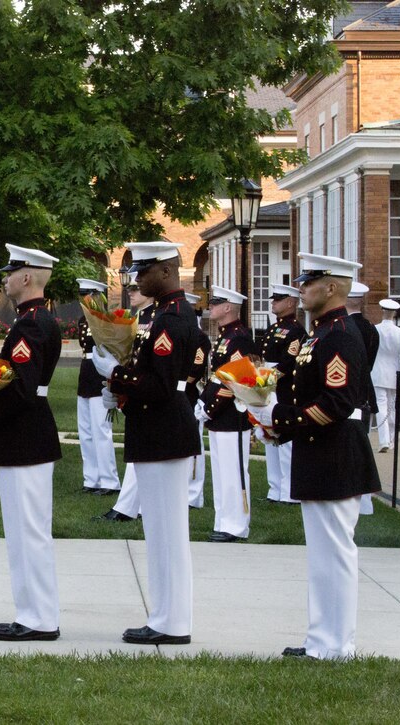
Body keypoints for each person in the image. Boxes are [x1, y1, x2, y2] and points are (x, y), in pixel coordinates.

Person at [247, 253, 381, 660]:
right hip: (319, 452)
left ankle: (336, 645)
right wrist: (273, 418)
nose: (301, 288)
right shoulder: (320, 334)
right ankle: (322, 639)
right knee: (322, 558)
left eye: (309, 282)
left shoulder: (339, 335)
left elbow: (335, 403)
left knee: (334, 555)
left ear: (333, 287)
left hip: (335, 454)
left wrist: (281, 418)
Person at [91, 241, 202, 645]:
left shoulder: (172, 320)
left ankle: (172, 622)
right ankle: (165, 617)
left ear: (168, 271)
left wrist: (116, 375)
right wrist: (118, 384)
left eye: (145, 271)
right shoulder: (161, 315)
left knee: (168, 533)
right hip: (158, 432)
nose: (137, 278)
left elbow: (159, 385)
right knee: (159, 532)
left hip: (166, 432)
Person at [0, 244, 63, 641]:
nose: (4, 278)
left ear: (26, 277)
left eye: (10, 271)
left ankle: (39, 618)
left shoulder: (31, 325)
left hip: (26, 435)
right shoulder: (34, 321)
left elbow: (21, 388)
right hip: (26, 433)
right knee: (22, 530)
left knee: (29, 530)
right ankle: (32, 613)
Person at [196, 286, 257, 543]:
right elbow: (217, 376)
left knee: (234, 472)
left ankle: (236, 525)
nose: (212, 306)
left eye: (217, 302)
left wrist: (209, 407)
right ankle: (223, 520)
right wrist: (203, 400)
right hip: (221, 416)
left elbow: (235, 381)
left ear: (229, 307)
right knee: (221, 473)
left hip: (232, 415)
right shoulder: (226, 336)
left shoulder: (240, 337)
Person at [93, 282, 154, 523]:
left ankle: (129, 507)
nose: (132, 291)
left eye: (138, 287)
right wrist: (116, 384)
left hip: (146, 390)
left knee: (142, 453)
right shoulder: (138, 318)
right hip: (133, 386)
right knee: (139, 453)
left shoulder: (157, 318)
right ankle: (130, 506)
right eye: (129, 287)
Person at [258, 284, 306, 504]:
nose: (273, 303)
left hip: (282, 388)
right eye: (273, 299)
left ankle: (288, 491)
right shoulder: (273, 328)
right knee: (270, 437)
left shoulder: (296, 330)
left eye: (278, 300)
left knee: (285, 441)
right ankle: (274, 488)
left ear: (290, 302)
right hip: (269, 384)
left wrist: (265, 379)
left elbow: (289, 362)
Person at [75, 278, 120, 496]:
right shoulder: (83, 321)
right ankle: (91, 478)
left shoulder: (106, 321)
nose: (83, 299)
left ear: (97, 297)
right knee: (85, 431)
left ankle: (109, 480)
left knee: (101, 430)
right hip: (85, 374)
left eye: (87, 295)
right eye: (82, 295)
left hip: (99, 375)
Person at [346, 282, 379, 515]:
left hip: (352, 394)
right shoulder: (370, 328)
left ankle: (361, 501)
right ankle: (364, 501)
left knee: (354, 451)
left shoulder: (348, 328)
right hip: (365, 391)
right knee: (362, 447)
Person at [184, 291, 210, 509]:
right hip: (177, 392)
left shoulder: (199, 337)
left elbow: (196, 368)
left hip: (189, 393)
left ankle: (193, 494)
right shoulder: (182, 332)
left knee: (194, 445)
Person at [372, 299, 400, 454]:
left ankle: (384, 440)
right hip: (394, 374)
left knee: (381, 407)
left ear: (383, 311)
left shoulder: (375, 330)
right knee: (391, 408)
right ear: (394, 314)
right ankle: (391, 440)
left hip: (377, 373)